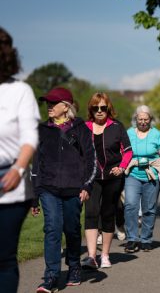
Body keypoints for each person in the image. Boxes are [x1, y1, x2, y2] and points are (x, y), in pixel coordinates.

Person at [30, 87, 96, 292]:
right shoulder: (42, 130)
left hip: (73, 189)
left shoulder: (80, 129)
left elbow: (91, 160)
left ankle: (74, 266)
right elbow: (36, 164)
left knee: (72, 230)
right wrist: (34, 196)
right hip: (48, 188)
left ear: (66, 107)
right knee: (52, 229)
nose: (48, 107)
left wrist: (86, 185)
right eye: (47, 103)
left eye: (53, 103)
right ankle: (51, 276)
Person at [0, 26, 40, 293]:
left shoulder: (20, 92)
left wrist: (19, 167)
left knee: (2, 258)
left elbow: (30, 138)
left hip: (9, 184)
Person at [82, 92, 132, 269]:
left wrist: (122, 167)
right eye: (96, 108)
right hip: (91, 178)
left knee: (108, 214)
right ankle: (91, 256)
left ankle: (104, 255)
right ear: (91, 110)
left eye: (103, 107)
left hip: (113, 177)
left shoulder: (117, 127)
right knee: (91, 212)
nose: (100, 111)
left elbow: (127, 150)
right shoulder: (84, 127)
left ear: (108, 108)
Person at [123, 105, 160, 252]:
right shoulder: (129, 133)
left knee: (149, 209)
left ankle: (146, 239)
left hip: (152, 175)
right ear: (136, 119)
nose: (143, 122)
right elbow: (122, 153)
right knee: (130, 205)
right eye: (140, 119)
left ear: (150, 119)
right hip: (133, 174)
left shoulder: (156, 134)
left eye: (146, 119)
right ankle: (132, 238)